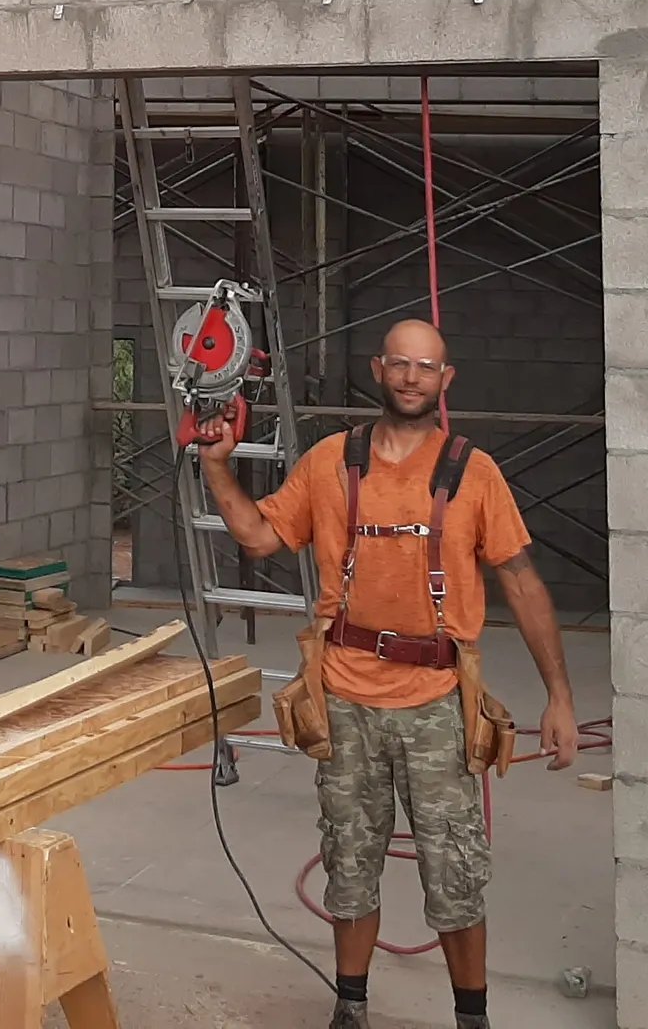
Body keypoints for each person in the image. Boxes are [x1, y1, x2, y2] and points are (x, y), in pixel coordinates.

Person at [193, 319, 580, 1029]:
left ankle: (472, 1017)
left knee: (455, 870)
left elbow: (523, 583)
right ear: (378, 369)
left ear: (445, 380)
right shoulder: (330, 462)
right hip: (345, 700)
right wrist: (217, 465)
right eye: (399, 364)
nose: (410, 378)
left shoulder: (473, 473)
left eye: (425, 367)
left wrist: (559, 696)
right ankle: (351, 1008)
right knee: (348, 863)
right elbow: (258, 537)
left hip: (437, 704)